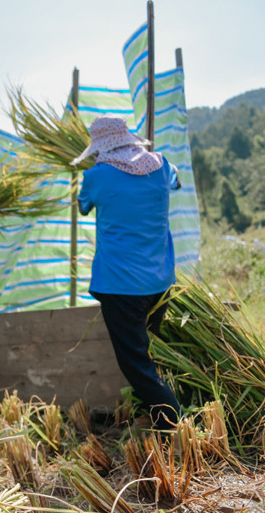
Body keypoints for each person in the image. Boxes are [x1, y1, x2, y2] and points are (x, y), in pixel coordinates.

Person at [72, 114, 182, 431]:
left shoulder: (97, 176)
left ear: (100, 147)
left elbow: (83, 205)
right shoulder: (161, 165)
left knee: (135, 361)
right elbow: (176, 180)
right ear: (129, 138)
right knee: (151, 352)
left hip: (121, 286)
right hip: (160, 281)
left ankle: (173, 422)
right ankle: (149, 415)